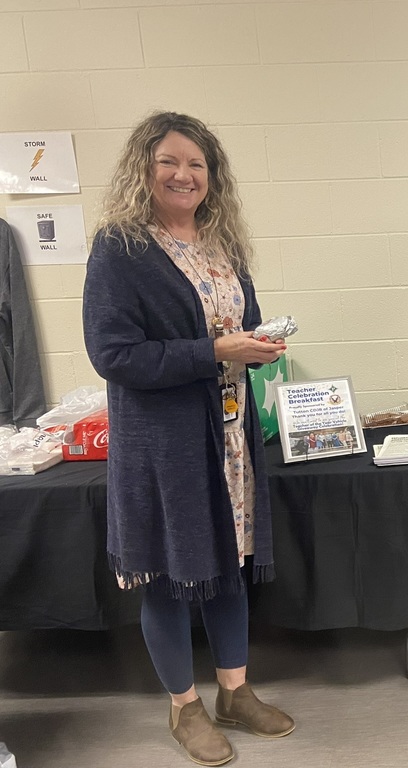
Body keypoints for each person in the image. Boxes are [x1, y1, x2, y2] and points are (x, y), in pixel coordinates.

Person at [83, 112, 294, 766]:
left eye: (197, 164)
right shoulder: (121, 248)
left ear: (212, 176)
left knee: (230, 567)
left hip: (229, 436)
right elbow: (114, 354)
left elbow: (240, 325)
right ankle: (185, 708)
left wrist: (257, 344)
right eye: (169, 161)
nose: (184, 174)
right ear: (143, 169)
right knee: (172, 580)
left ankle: (234, 692)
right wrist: (214, 351)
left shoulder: (219, 243)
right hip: (165, 447)